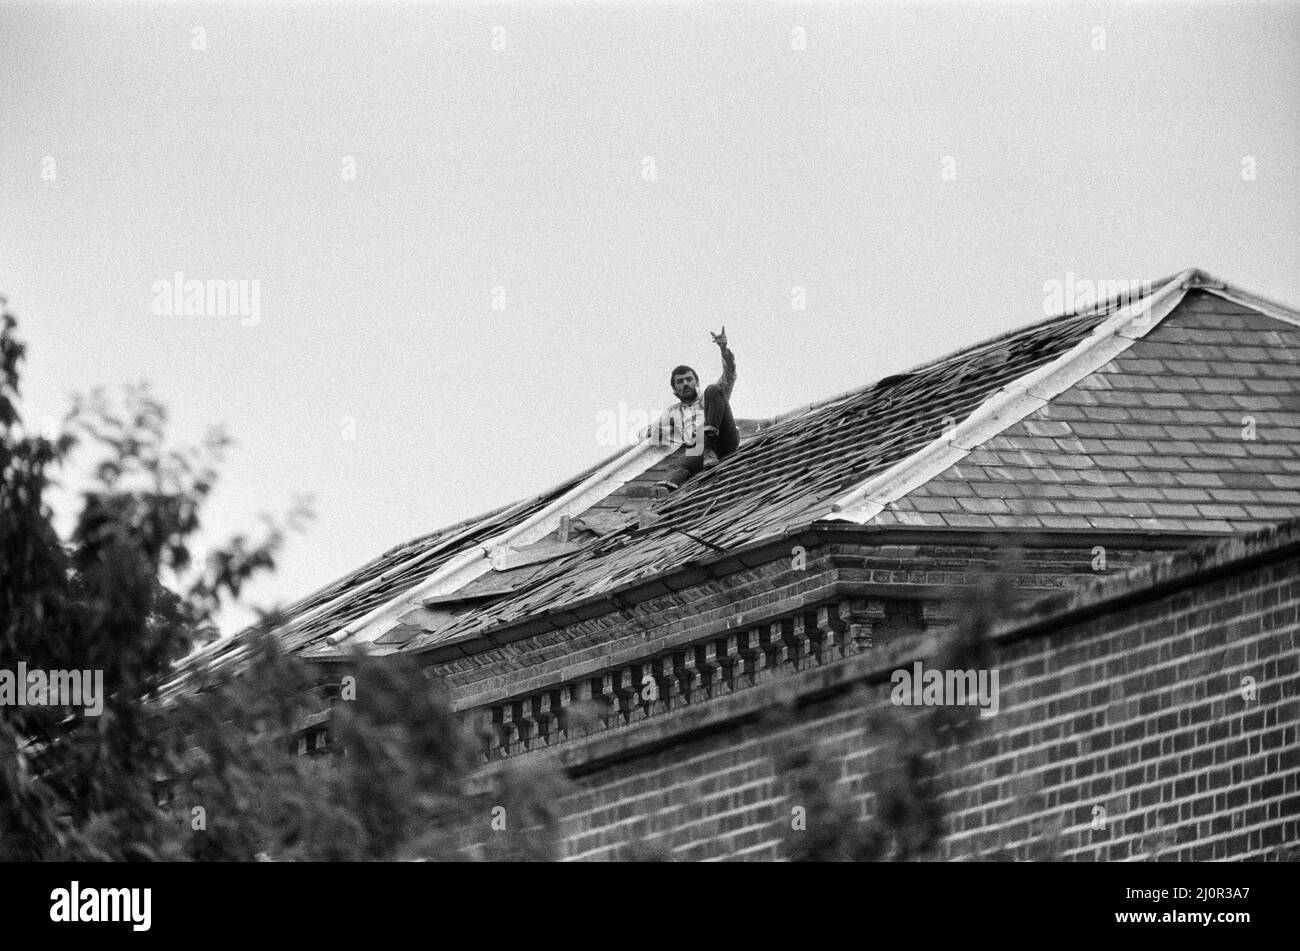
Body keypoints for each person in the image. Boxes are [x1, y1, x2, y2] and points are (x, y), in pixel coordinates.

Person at [653, 327, 739, 491]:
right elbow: (652, 431)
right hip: (699, 450)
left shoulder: (708, 397)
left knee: (713, 388)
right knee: (682, 462)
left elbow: (729, 375)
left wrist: (723, 350)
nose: (685, 384)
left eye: (689, 379)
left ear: (696, 382)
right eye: (680, 382)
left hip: (724, 439)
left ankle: (709, 446)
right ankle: (665, 489)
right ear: (674, 389)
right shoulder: (672, 412)